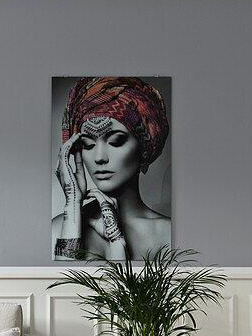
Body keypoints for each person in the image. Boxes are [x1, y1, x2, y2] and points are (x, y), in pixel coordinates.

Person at [53, 77, 171, 260]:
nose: (99, 157)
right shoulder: (59, 227)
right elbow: (58, 287)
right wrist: (72, 208)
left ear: (144, 148)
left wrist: (118, 243)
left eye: (116, 142)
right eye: (88, 145)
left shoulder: (168, 234)